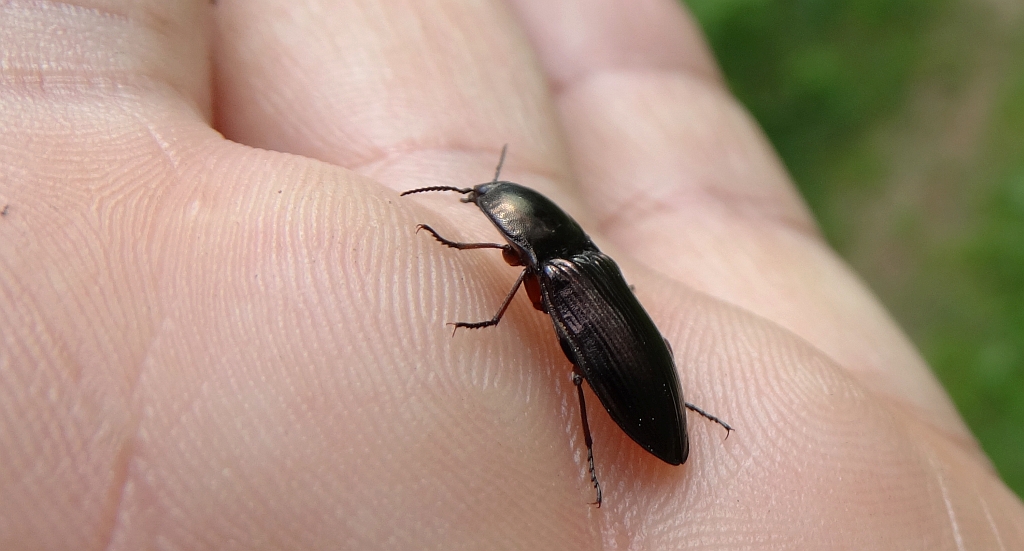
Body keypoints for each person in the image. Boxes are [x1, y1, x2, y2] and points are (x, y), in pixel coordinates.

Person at [1, 0, 1021, 548]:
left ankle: (616, 447)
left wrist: (495, 307)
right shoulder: (571, 254)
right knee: (581, 349)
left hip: (630, 392)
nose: (484, 214)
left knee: (577, 367)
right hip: (631, 347)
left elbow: (561, 310)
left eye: (489, 211)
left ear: (520, 235)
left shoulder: (556, 273)